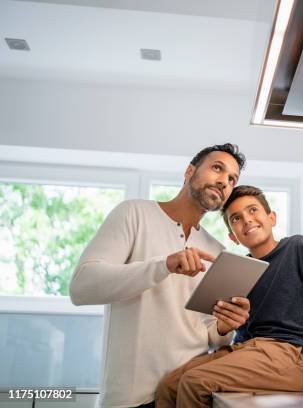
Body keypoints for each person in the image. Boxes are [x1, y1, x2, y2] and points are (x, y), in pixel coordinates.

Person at [155, 185, 303, 408]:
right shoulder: (240, 269)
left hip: (294, 355)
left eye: (253, 210)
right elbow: (243, 332)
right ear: (233, 237)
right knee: (169, 386)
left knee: (195, 383)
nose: (246, 219)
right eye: (236, 218)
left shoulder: (297, 247)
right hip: (251, 350)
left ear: (272, 217)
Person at [69, 144, 251, 408]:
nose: (224, 181)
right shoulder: (134, 213)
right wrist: (163, 265)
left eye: (232, 179)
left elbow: (211, 335)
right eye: (217, 168)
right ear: (189, 171)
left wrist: (226, 326)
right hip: (130, 397)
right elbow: (81, 287)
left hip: (187, 393)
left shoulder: (216, 251)